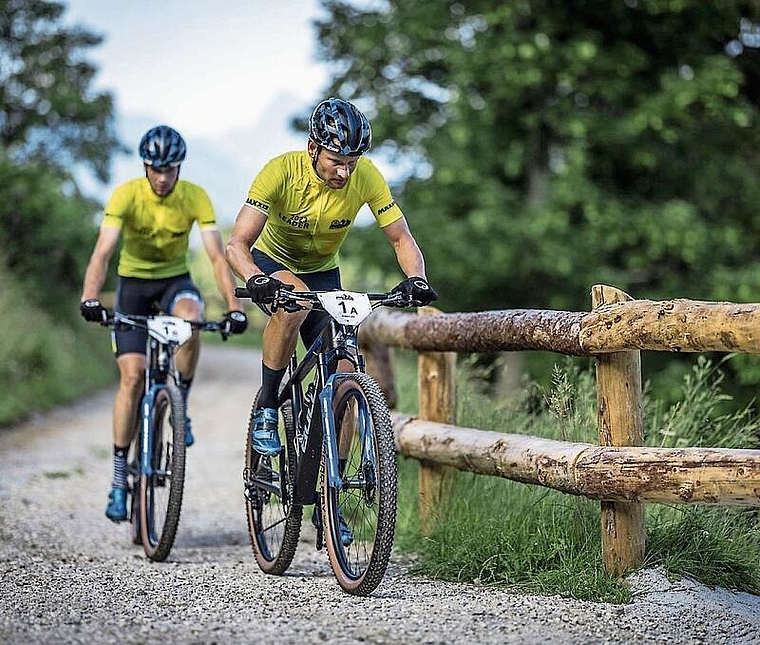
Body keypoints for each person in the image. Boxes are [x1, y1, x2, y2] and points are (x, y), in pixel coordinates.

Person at [225, 97, 437, 461]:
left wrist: (416, 278)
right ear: (312, 148)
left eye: (351, 164)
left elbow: (401, 237)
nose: (344, 173)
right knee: (293, 303)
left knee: (344, 371)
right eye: (336, 162)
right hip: (271, 262)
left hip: (324, 271)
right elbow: (237, 244)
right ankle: (267, 407)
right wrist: (254, 277)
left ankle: (330, 499)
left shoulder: (366, 177)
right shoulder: (281, 171)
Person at [79, 125, 247, 523]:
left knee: (192, 319)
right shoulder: (126, 195)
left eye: (169, 169)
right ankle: (120, 481)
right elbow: (102, 252)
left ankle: (180, 403)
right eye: (155, 169)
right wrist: (89, 296)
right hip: (133, 285)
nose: (162, 177)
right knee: (133, 378)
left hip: (175, 282)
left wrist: (234, 306)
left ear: (179, 168)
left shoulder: (194, 197)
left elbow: (216, 255)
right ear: (145, 167)